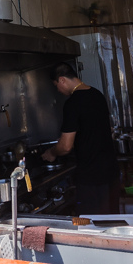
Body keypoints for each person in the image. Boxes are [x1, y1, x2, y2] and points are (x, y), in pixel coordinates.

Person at [41, 63, 120, 214]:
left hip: (92, 177)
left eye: (56, 85)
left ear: (62, 80)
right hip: (111, 173)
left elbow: (65, 146)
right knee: (112, 222)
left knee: (93, 227)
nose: (58, 90)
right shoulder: (97, 95)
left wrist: (52, 152)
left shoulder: (73, 103)